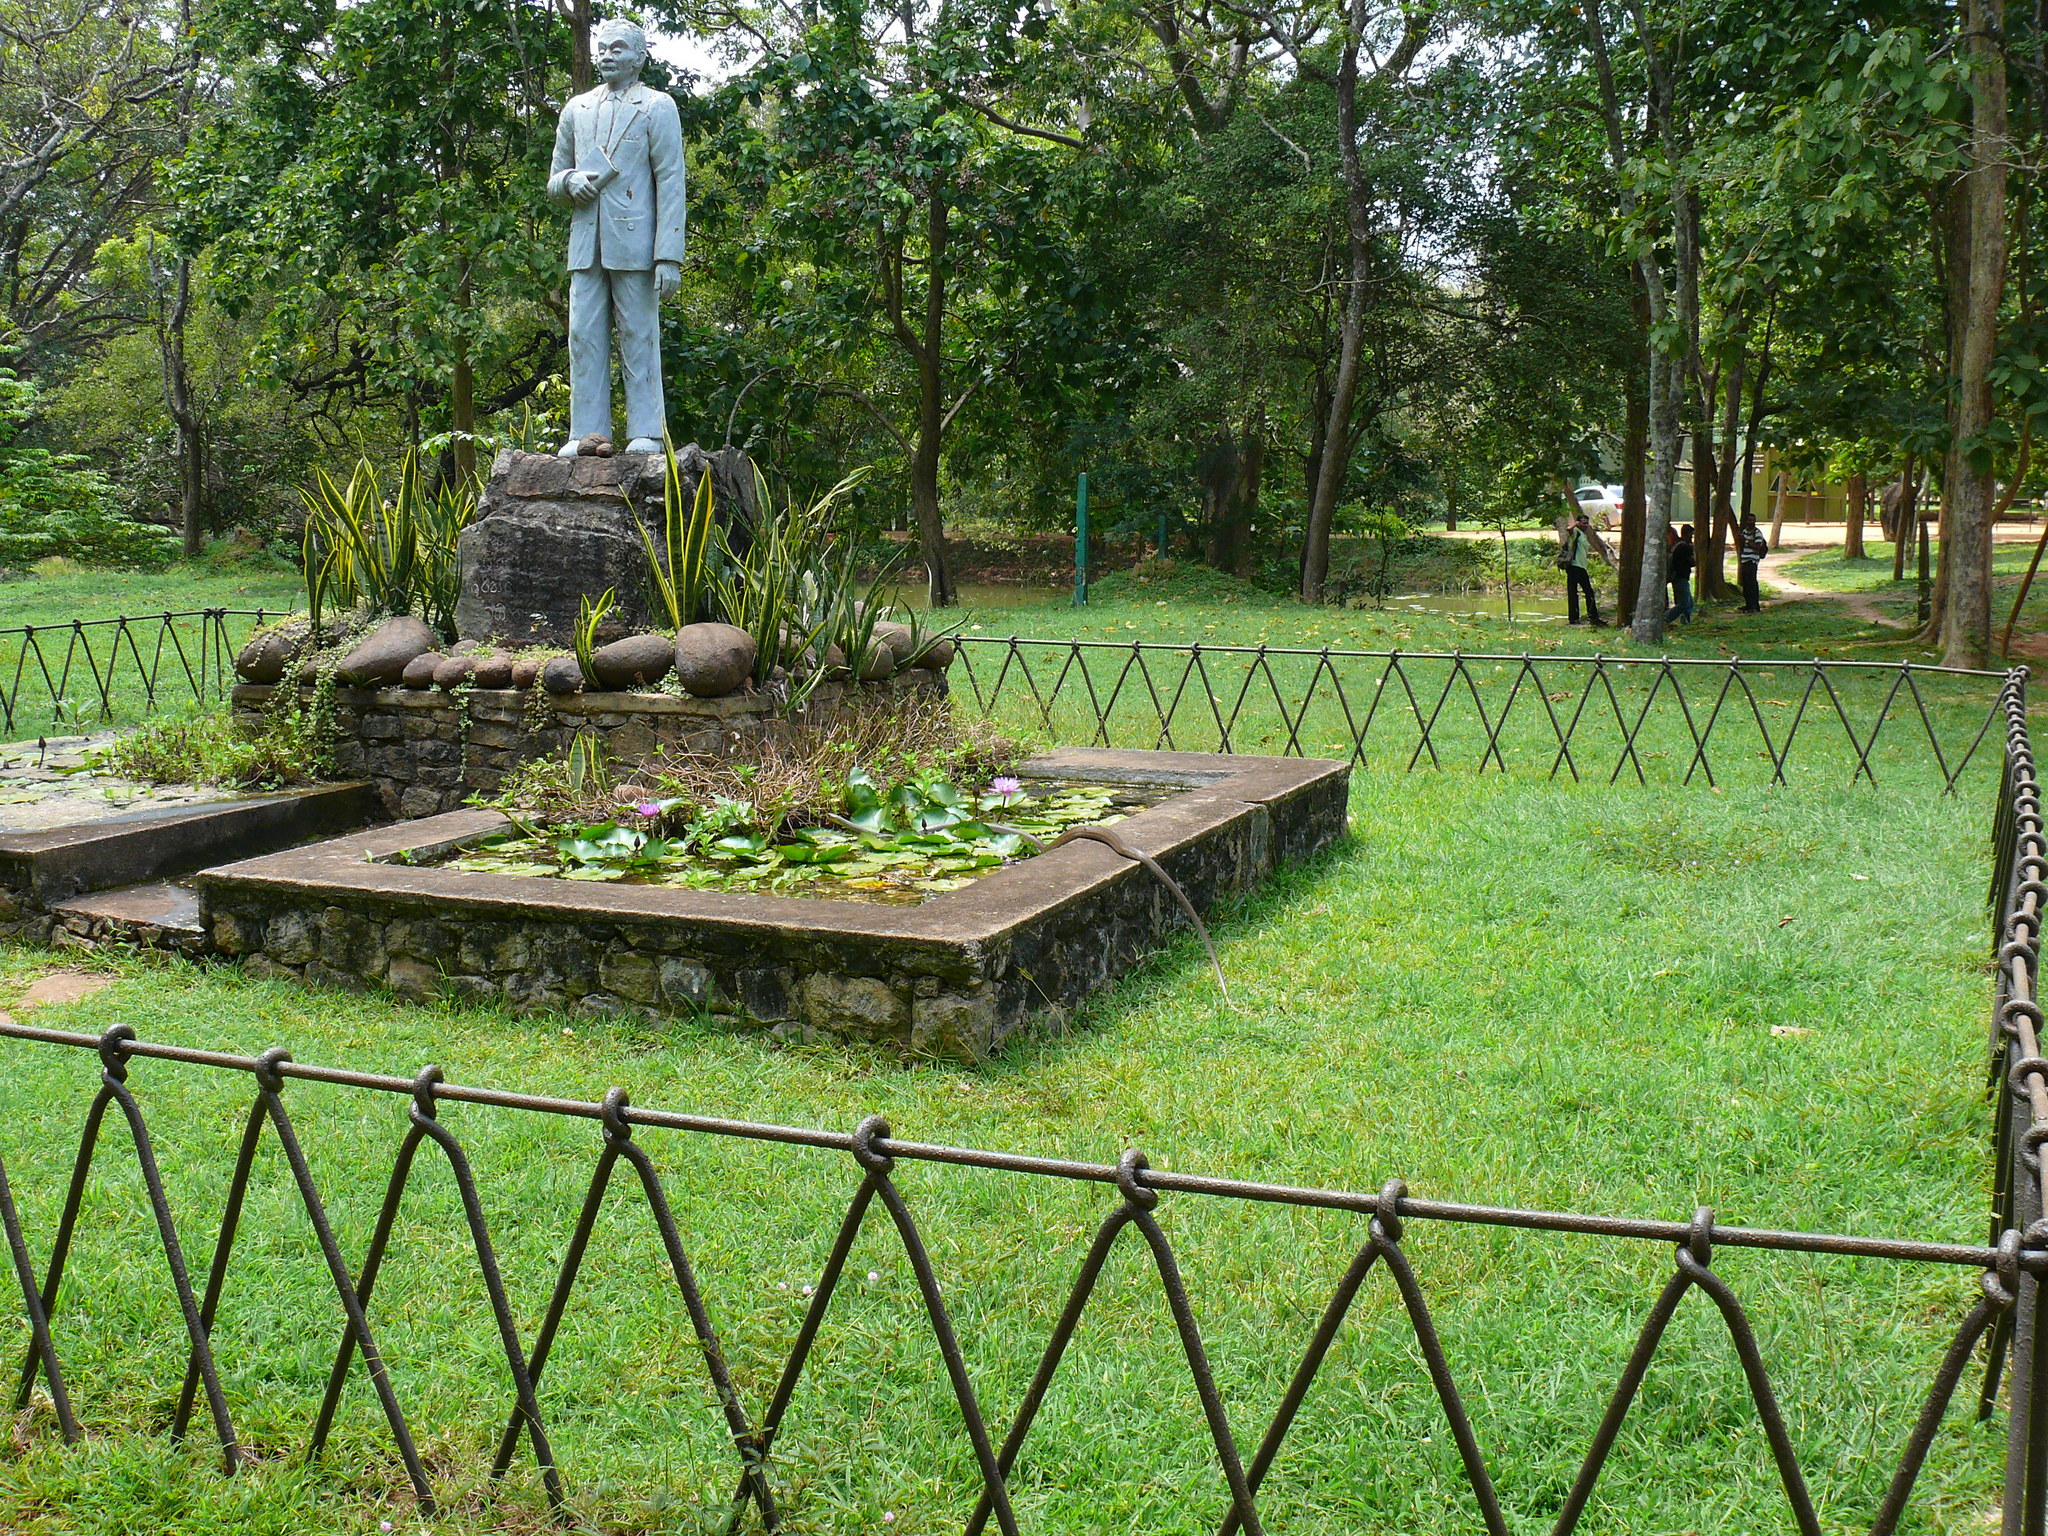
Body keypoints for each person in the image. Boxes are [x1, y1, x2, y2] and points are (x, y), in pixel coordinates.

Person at [547, 18, 687, 456]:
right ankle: (587, 432)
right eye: (602, 48)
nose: (606, 56)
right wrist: (570, 181)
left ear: (639, 58)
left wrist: (669, 256)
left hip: (636, 244)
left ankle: (646, 431)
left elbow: (671, 181)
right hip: (586, 244)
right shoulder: (576, 109)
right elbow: (554, 180)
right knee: (582, 336)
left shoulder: (657, 107)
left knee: (638, 335)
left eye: (618, 48)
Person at [1560, 512, 1604, 626]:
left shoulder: (1584, 535)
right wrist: (1576, 524)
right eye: (1583, 523)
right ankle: (1573, 619)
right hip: (1574, 566)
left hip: (1582, 567)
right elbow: (1569, 529)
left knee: (1589, 592)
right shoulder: (1576, 532)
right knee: (1573, 593)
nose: (1585, 525)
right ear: (1578, 523)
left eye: (1587, 523)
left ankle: (1593, 617)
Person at [1735, 512, 1768, 612]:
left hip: (1752, 560)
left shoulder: (1757, 533)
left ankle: (1754, 605)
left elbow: (1757, 547)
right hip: (1744, 560)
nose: (1751, 522)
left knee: (1752, 583)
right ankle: (1748, 604)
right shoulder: (1745, 531)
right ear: (1746, 521)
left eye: (1753, 520)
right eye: (1749, 520)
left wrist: (1746, 541)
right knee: (1746, 584)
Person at [1666, 523, 1695, 624]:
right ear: (1687, 534)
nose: (1692, 537)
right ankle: (1666, 618)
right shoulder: (1685, 547)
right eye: (1691, 534)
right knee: (1683, 603)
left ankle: (1685, 620)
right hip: (1681, 577)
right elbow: (1693, 562)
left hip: (1677, 577)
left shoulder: (1677, 545)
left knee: (1689, 602)